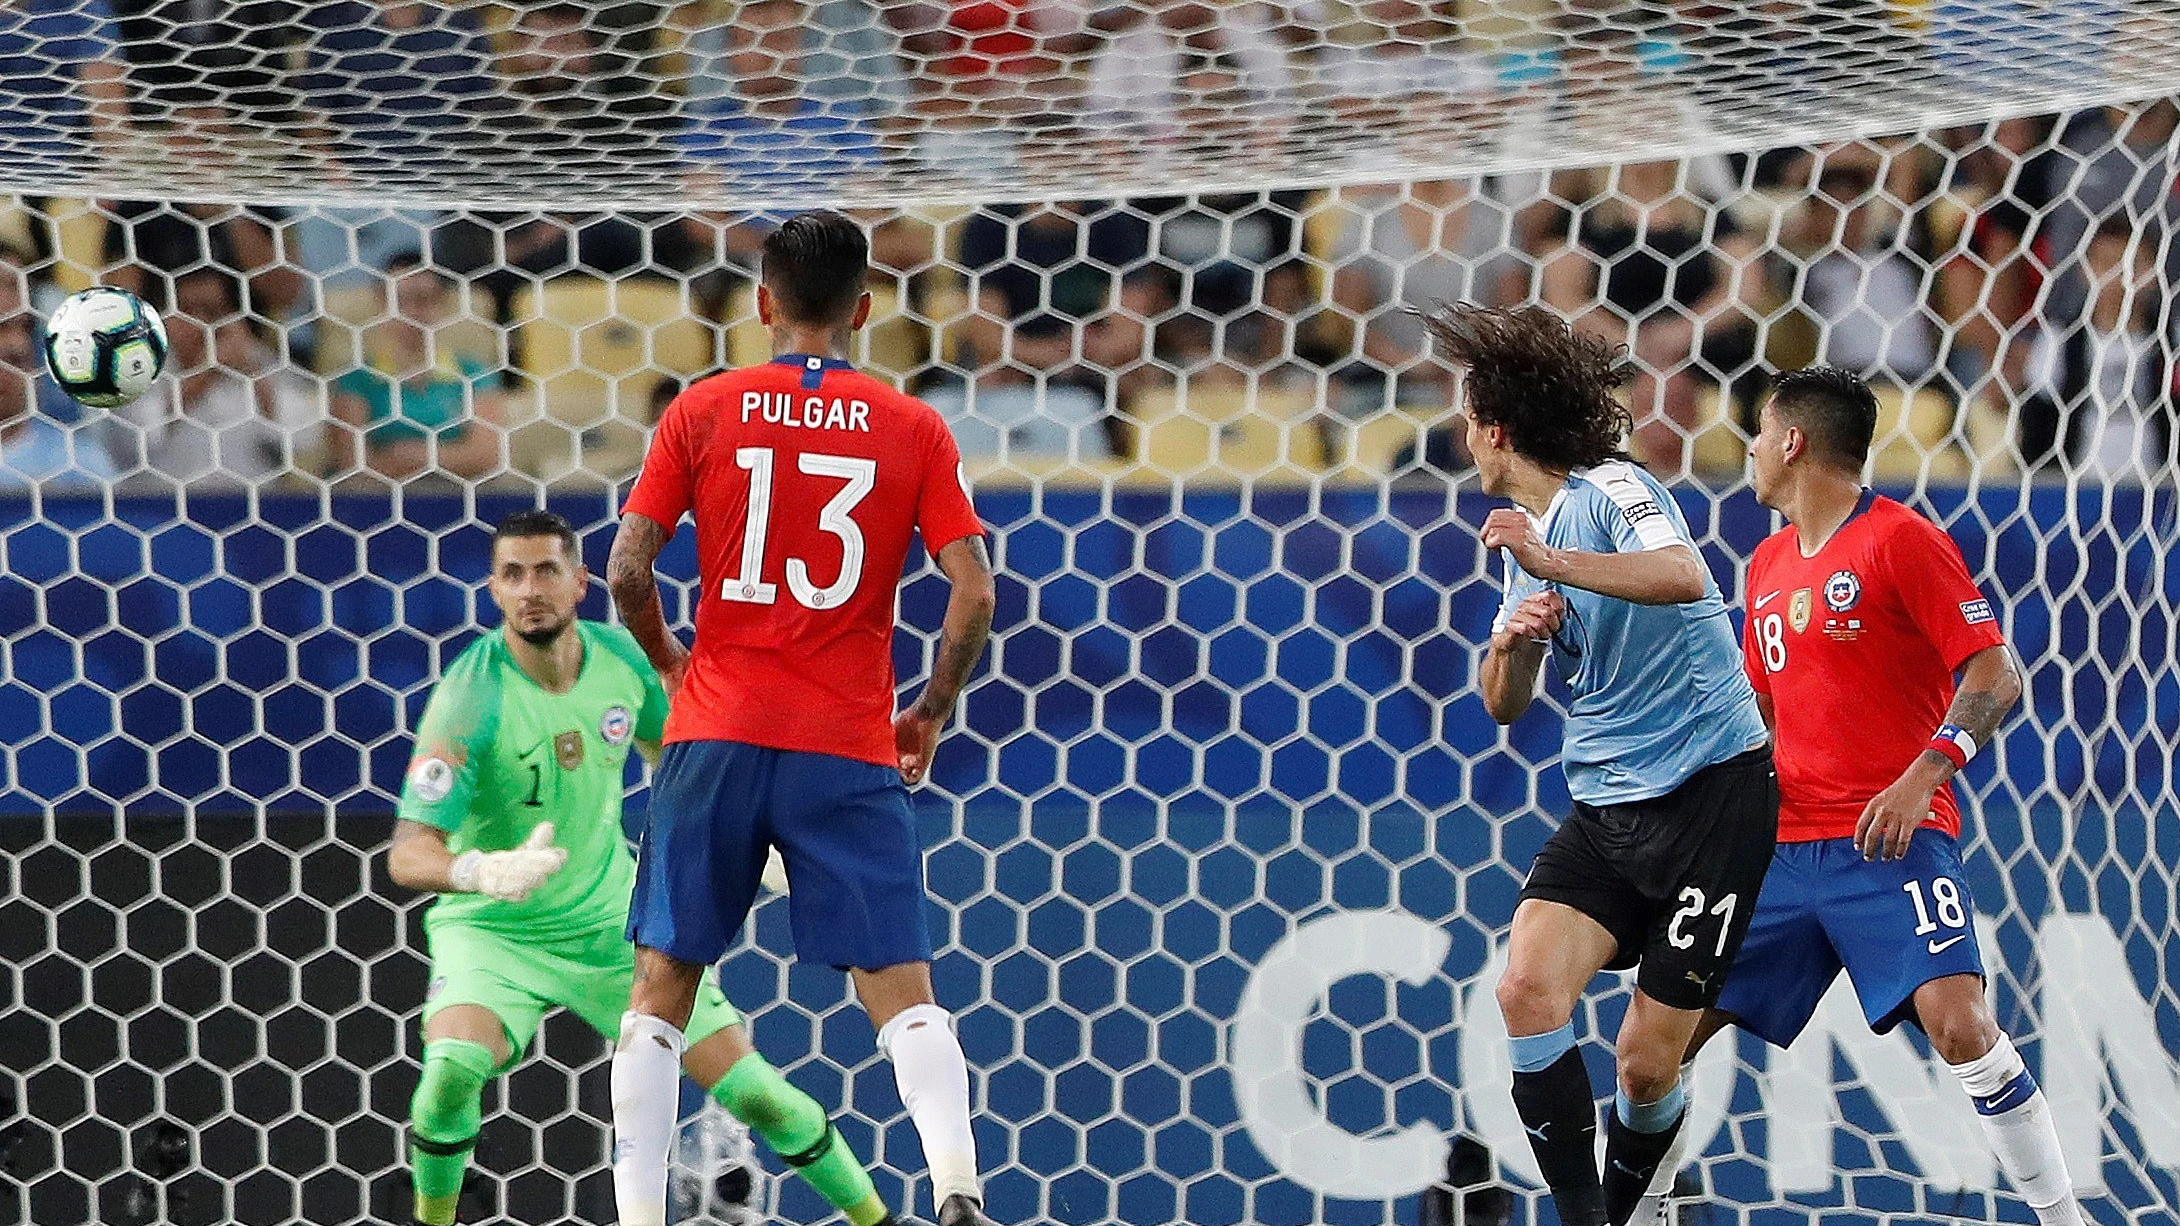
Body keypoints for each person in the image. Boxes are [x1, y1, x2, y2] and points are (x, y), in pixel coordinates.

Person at [605, 212, 999, 1226]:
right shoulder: (913, 426)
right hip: (845, 739)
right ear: (864, 309)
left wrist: (665, 656)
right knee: (901, 989)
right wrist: (930, 710)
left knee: (661, 991)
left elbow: (626, 567)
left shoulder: (703, 407)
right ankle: (956, 1187)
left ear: (763, 303)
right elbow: (974, 591)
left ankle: (640, 1214)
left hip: (717, 728)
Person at [1646, 365, 2082, 1226]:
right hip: (1777, 850)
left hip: (1887, 846)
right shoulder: (1767, 562)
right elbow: (1764, 710)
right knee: (1651, 1051)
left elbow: (1997, 672)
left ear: (1795, 442)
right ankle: (1644, 1209)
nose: (1753, 451)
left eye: (1763, 434)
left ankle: (2064, 1218)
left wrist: (1926, 773)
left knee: (1961, 1029)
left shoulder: (1900, 541)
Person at [387, 509, 898, 1226]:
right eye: (512, 574)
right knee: (448, 1079)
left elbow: (680, 754)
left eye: (546, 571)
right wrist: (480, 871)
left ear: (580, 583)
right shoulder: (472, 699)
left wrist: (760, 843)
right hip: (495, 933)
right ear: (494, 590)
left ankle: (881, 1220)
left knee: (759, 1096)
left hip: (609, 928)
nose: (530, 589)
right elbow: (408, 852)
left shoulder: (624, 662)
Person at [1435, 303, 1776, 1226]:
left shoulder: (1613, 487)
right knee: (1525, 990)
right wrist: (1515, 644)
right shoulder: (1529, 534)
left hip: (1714, 794)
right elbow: (1502, 704)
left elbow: (1684, 576)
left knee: (1644, 1062)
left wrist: (1550, 560)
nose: (1463, 440)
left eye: (1467, 423)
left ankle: (1639, 1210)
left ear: (1496, 432)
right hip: (1609, 806)